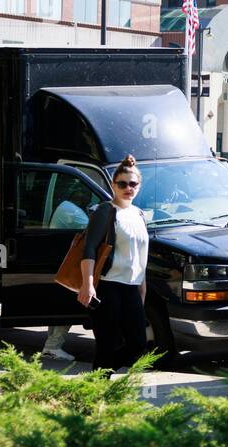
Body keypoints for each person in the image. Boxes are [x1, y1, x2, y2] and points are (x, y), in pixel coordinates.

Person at [79, 155, 149, 372]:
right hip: (108, 286)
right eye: (122, 184)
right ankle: (97, 394)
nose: (128, 188)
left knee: (138, 344)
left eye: (133, 184)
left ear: (139, 186)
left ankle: (99, 380)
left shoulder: (139, 214)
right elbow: (89, 247)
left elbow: (140, 254)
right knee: (107, 345)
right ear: (113, 185)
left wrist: (142, 287)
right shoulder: (106, 211)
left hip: (132, 288)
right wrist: (87, 283)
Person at [42, 182, 92, 362]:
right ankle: (53, 346)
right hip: (68, 267)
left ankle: (50, 346)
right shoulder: (72, 211)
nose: (87, 202)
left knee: (58, 308)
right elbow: (92, 230)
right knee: (66, 307)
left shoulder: (65, 206)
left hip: (59, 264)